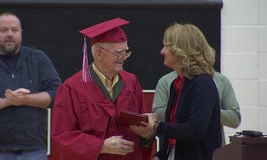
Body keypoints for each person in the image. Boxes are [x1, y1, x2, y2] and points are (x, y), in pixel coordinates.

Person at [50, 18, 151, 160]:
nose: (123, 58)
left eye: (125, 52)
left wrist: (147, 135)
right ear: (98, 54)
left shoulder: (131, 82)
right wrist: (101, 146)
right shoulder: (71, 88)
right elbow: (63, 136)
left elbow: (141, 128)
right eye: (118, 53)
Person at [131, 22, 222, 160]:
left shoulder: (203, 84)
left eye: (166, 46)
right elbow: (174, 135)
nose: (162, 51)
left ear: (181, 50)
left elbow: (196, 129)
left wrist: (156, 126)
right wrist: (160, 156)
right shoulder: (177, 84)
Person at [0, 12, 62, 160]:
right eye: (3, 30)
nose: (9, 34)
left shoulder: (37, 58)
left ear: (21, 33)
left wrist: (25, 100)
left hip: (34, 149)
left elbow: (57, 93)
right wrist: (7, 101)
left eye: (14, 30)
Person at [153, 70, 241, 145]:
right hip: (177, 146)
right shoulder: (166, 81)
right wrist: (187, 108)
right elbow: (157, 115)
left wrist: (204, 109)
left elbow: (234, 119)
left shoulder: (221, 80)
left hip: (210, 149)